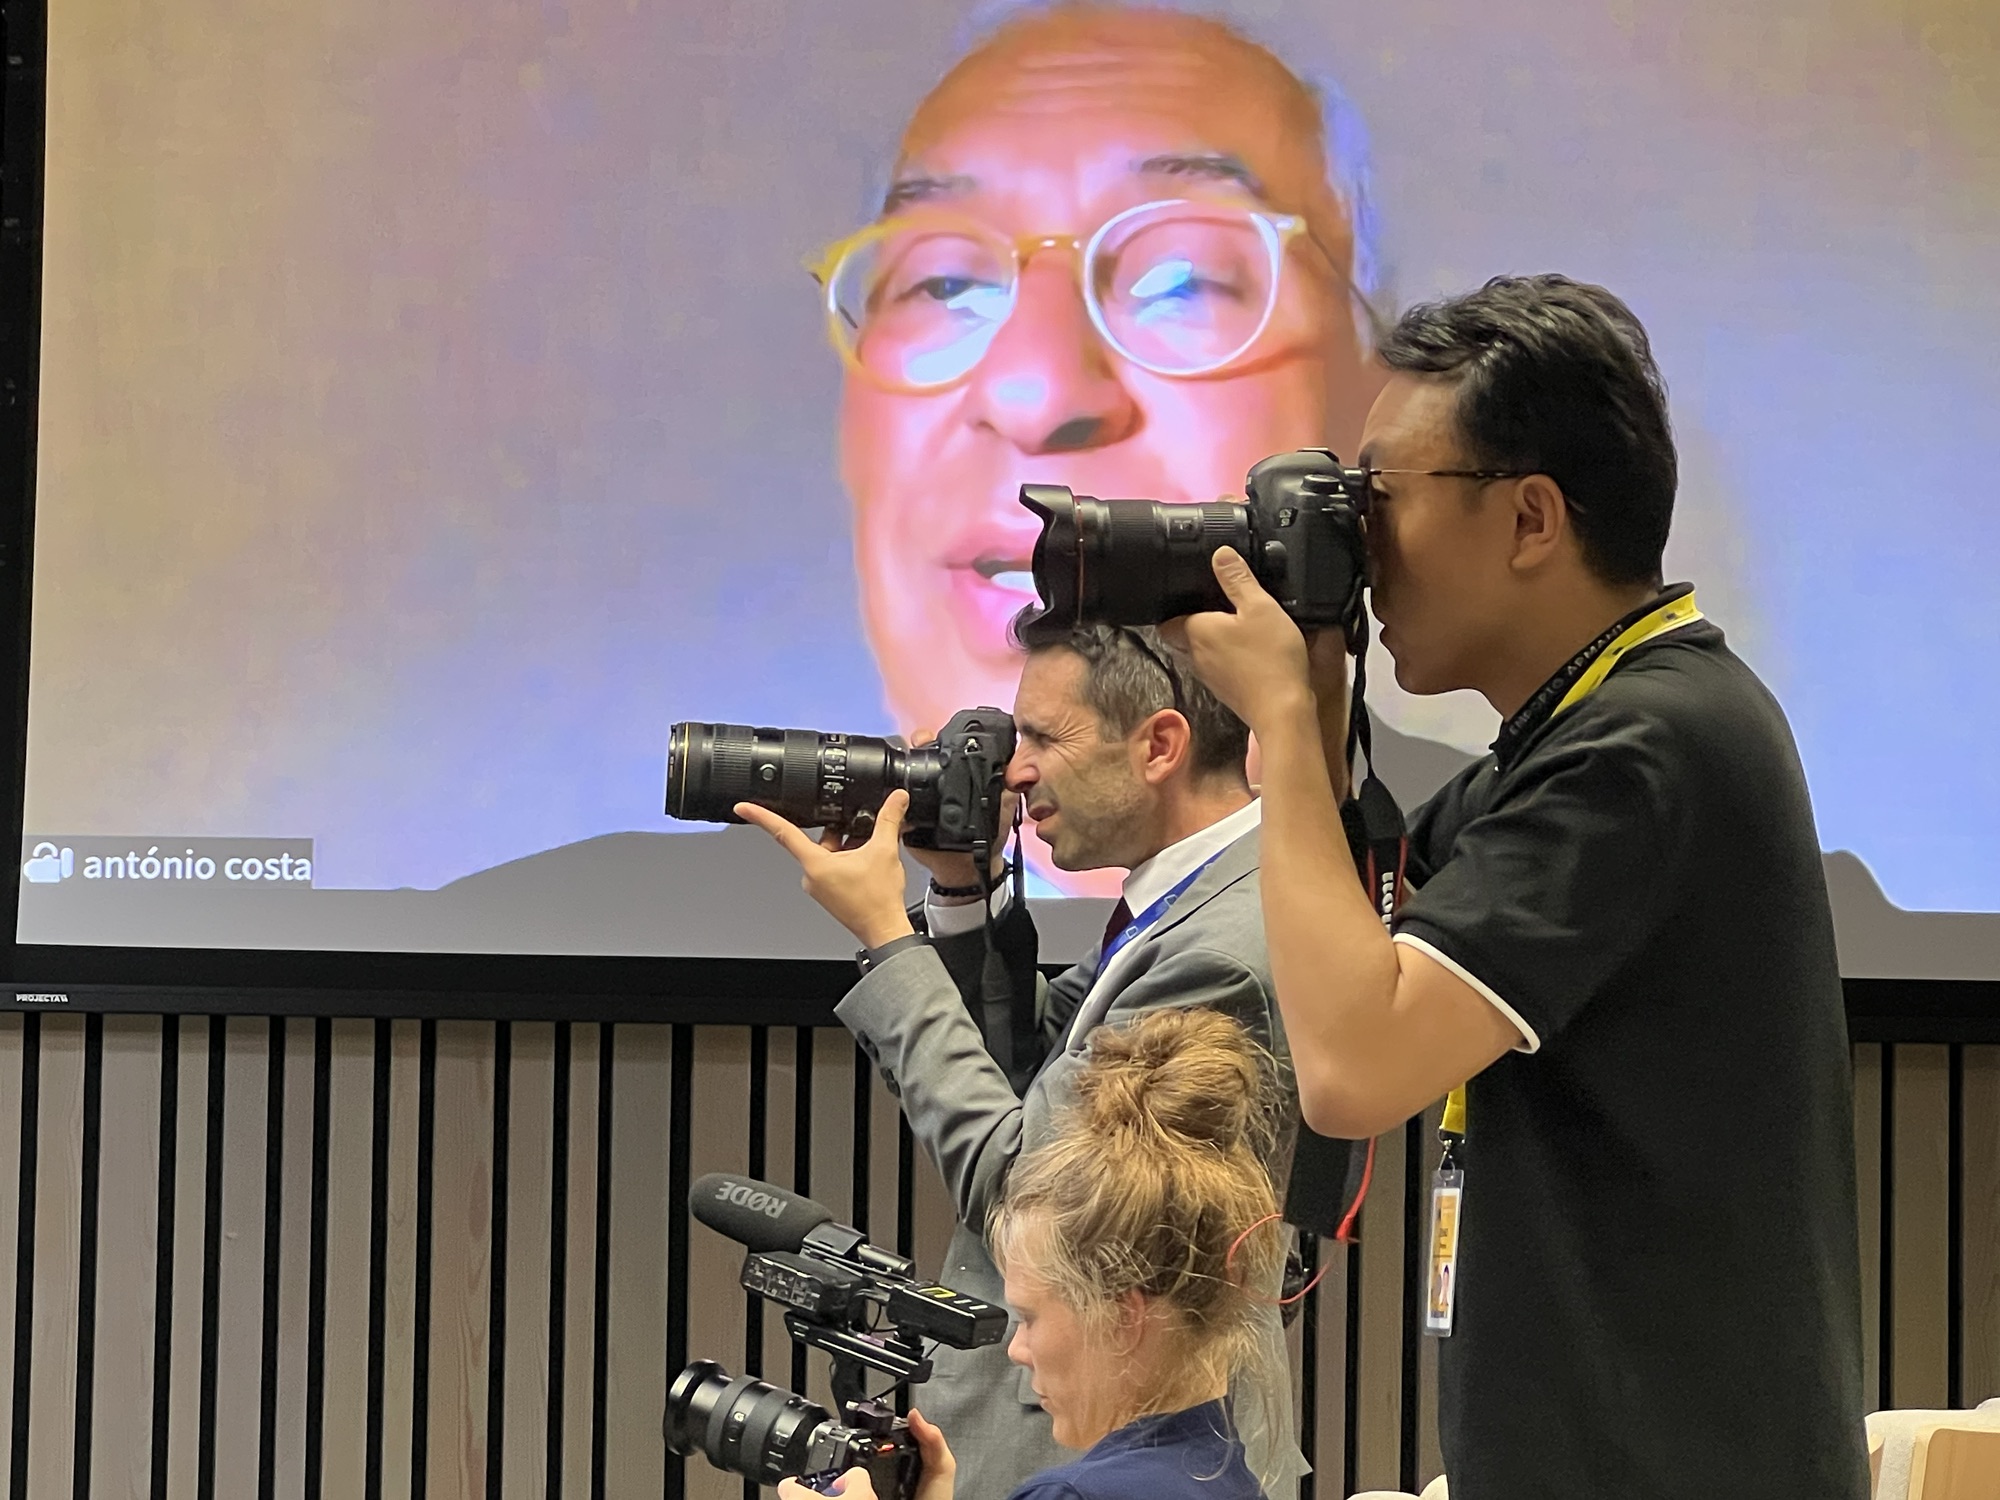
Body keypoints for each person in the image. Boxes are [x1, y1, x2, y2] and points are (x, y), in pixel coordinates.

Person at [1168, 274, 1869, 1498]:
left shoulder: (1646, 744)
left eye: (1379, 497)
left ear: (1530, 517)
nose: (1361, 546)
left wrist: (1279, 712)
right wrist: (1314, 706)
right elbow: (1357, 931)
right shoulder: (1572, 737)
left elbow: (1352, 1067)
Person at [814, 0, 1388, 893]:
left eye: (1181, 279)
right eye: (946, 283)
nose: (1034, 390)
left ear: (1368, 395)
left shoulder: (1463, 859)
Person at [736, 626, 1311, 1500]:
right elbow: (1036, 1073)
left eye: (1043, 736)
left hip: (1109, 1436)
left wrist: (886, 934)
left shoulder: (1223, 946)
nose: (1015, 770)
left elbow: (1029, 1190)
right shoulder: (1196, 897)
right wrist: (962, 890)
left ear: (1160, 745)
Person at [775, 1007, 1287, 1500]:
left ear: (1123, 1317)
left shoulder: (1071, 1495)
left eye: (1029, 1317)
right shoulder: (1229, 1473)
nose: (1016, 1349)